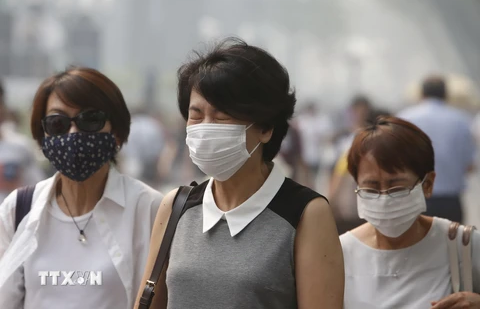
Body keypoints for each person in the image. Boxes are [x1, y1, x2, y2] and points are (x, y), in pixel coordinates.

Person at [135, 38, 344, 309]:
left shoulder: (306, 214)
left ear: (266, 128)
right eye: (196, 116)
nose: (205, 128)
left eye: (221, 117)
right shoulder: (176, 206)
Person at [0, 67, 163, 309]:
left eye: (90, 120)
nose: (74, 134)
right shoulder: (19, 209)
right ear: (42, 136)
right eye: (58, 123)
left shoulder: (150, 209)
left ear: (116, 132)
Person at [340, 116, 480, 308]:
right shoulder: (340, 253)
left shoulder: (462, 245)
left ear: (427, 184)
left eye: (397, 188)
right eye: (371, 189)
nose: (384, 199)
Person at [398, 75, 476, 223]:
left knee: (419, 245)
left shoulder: (405, 118)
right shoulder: (461, 120)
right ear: (446, 95)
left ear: (422, 94)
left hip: (415, 199)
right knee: (453, 244)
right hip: (450, 201)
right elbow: (470, 165)